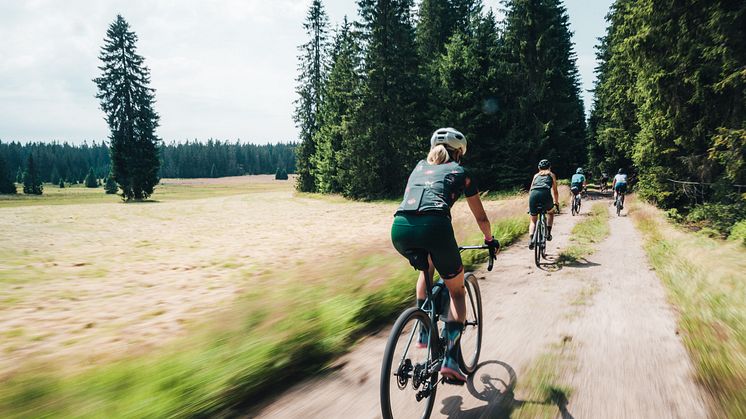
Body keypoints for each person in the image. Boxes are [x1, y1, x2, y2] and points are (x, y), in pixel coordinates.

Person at [391, 127, 500, 383]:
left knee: (426, 268)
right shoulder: (461, 172)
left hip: (400, 228)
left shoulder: (418, 167)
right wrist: (489, 239)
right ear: (459, 153)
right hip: (436, 228)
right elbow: (481, 217)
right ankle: (451, 359)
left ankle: (423, 332)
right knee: (457, 291)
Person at [528, 159, 559, 249]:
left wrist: (531, 205)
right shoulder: (551, 175)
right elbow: (555, 191)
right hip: (545, 195)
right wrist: (556, 203)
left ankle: (531, 239)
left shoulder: (535, 175)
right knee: (550, 213)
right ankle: (548, 233)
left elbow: (531, 190)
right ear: (549, 167)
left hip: (533, 196)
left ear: (539, 168)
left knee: (533, 219)